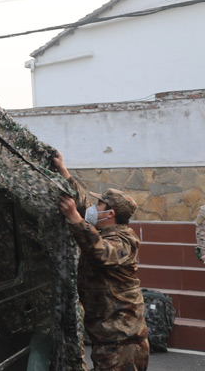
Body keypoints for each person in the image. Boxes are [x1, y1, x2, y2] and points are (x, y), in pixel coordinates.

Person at [54, 153, 149, 371]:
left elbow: (101, 252)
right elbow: (83, 204)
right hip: (108, 332)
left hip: (123, 337)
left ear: (110, 213)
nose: (93, 207)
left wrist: (75, 219)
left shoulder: (125, 240)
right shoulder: (104, 229)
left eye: (99, 204)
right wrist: (63, 170)